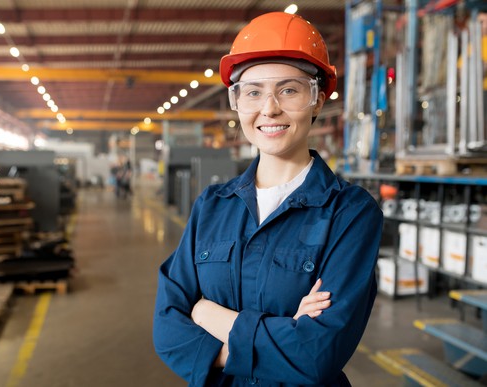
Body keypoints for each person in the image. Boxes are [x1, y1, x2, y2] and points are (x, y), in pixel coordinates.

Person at [153, 11, 383, 386]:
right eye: (254, 92)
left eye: (289, 89)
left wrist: (209, 315)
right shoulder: (212, 206)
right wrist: (286, 329)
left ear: (318, 99)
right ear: (237, 102)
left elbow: (316, 355)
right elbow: (167, 330)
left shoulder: (351, 213)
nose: (269, 108)